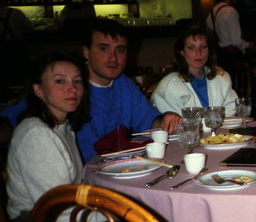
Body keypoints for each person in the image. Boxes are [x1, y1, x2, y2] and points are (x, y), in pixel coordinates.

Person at [5, 53, 163, 222]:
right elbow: (60, 210)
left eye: (77, 82)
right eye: (60, 81)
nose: (72, 89)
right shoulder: (36, 136)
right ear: (38, 90)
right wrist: (122, 213)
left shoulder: (61, 126)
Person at [0, 18, 182, 162]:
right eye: (104, 48)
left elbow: (149, 120)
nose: (113, 58)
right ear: (86, 52)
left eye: (120, 50)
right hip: (78, 182)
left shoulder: (123, 84)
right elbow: (15, 123)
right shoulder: (67, 90)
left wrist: (166, 118)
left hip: (119, 173)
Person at [151, 27, 238, 116]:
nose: (198, 53)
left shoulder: (221, 78)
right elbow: (169, 124)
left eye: (203, 47)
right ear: (182, 52)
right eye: (191, 48)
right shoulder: (168, 87)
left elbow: (231, 112)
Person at [205, 0, 251, 72]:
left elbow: (210, 30)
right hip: (232, 58)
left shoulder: (213, 11)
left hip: (220, 56)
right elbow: (236, 41)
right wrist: (248, 45)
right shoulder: (230, 11)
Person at [0, 1, 33, 101]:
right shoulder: (16, 13)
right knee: (20, 78)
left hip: (2, 52)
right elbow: (29, 27)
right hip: (16, 50)